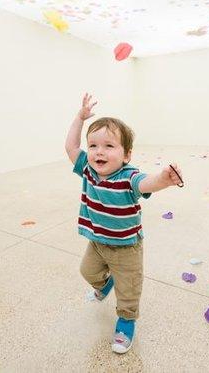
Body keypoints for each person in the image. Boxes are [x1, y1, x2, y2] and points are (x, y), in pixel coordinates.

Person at [65, 93, 182, 354]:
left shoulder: (129, 176)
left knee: (128, 290)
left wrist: (163, 180)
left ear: (126, 154)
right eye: (93, 145)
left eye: (108, 146)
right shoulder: (87, 169)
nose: (98, 152)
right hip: (97, 242)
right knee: (88, 272)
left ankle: (126, 321)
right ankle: (105, 284)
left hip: (127, 247)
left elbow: (145, 183)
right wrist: (79, 118)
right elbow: (71, 148)